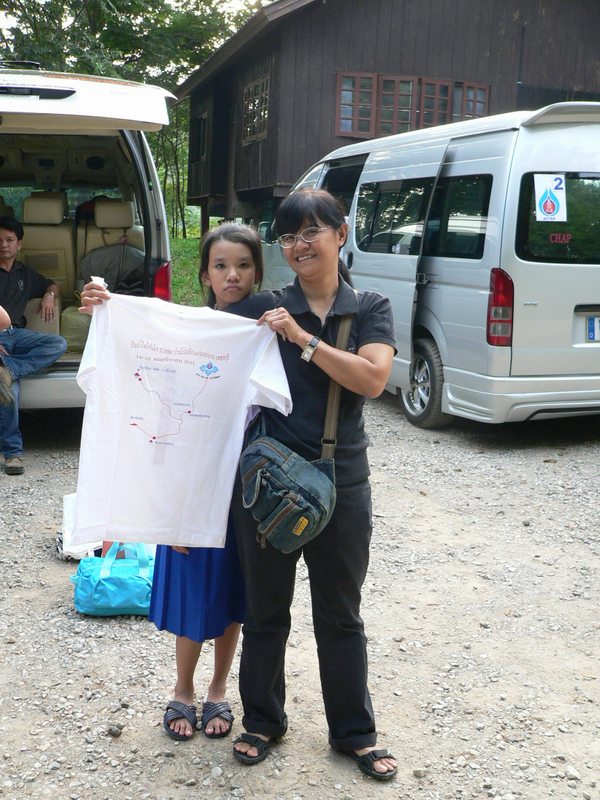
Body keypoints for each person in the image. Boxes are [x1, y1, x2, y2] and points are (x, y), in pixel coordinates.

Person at [228, 189, 398, 781]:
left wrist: (302, 339)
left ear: (340, 233)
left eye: (311, 232)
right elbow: (189, 334)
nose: (299, 246)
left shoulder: (369, 307)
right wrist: (112, 308)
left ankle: (354, 733)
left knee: (340, 613)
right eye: (288, 236)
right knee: (265, 609)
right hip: (269, 481)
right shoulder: (266, 306)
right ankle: (261, 720)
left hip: (342, 480)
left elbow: (372, 379)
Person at [81, 223, 263, 741]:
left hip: (245, 490)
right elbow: (151, 396)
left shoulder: (269, 328)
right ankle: (183, 688)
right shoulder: (183, 330)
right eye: (221, 265)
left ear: (257, 272)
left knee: (233, 594)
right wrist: (108, 311)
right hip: (190, 487)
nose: (232, 276)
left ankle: (218, 689)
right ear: (204, 273)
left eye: (243, 265)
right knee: (191, 589)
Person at [0, 216, 67, 475]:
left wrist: (49, 295)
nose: (4, 245)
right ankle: (13, 454)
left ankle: (9, 369)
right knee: (9, 393)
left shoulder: (25, 273)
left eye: (9, 240)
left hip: (17, 335)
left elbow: (52, 285)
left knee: (57, 344)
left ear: (19, 244)